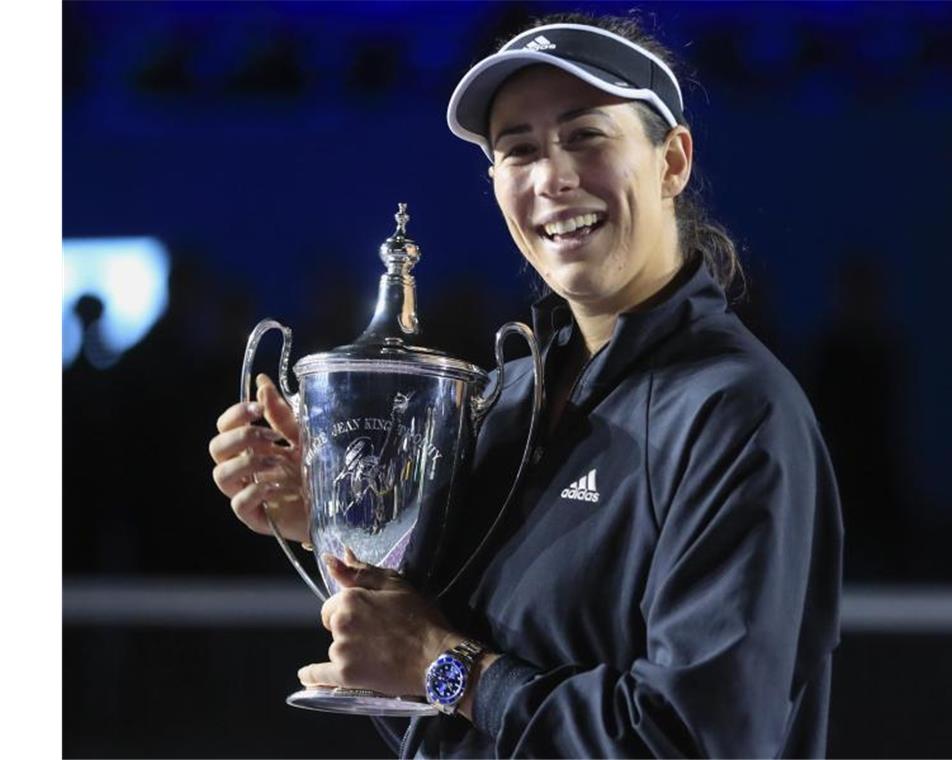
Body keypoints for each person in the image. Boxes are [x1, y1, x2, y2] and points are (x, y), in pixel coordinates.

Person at [209, 12, 843, 758]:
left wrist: (449, 669)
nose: (553, 177)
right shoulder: (507, 402)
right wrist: (343, 524)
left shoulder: (735, 413)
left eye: (585, 136)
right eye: (519, 149)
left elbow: (697, 741)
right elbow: (430, 697)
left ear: (672, 162)